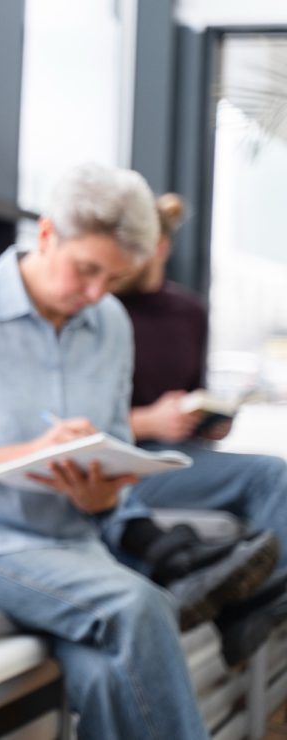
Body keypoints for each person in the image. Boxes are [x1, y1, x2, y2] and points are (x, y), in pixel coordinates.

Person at [0, 163, 272, 739]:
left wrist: (100, 495)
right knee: (140, 607)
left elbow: (111, 459)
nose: (95, 294)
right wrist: (25, 453)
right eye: (86, 270)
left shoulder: (110, 322)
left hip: (70, 548)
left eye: (112, 280)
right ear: (46, 235)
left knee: (116, 678)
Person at [115, 192, 287, 664]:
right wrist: (149, 420)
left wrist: (208, 421)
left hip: (181, 454)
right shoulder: (100, 308)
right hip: (127, 458)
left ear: (160, 246)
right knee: (271, 475)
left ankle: (260, 597)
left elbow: (191, 391)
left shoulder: (189, 313)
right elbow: (74, 419)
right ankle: (253, 604)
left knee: (273, 476)